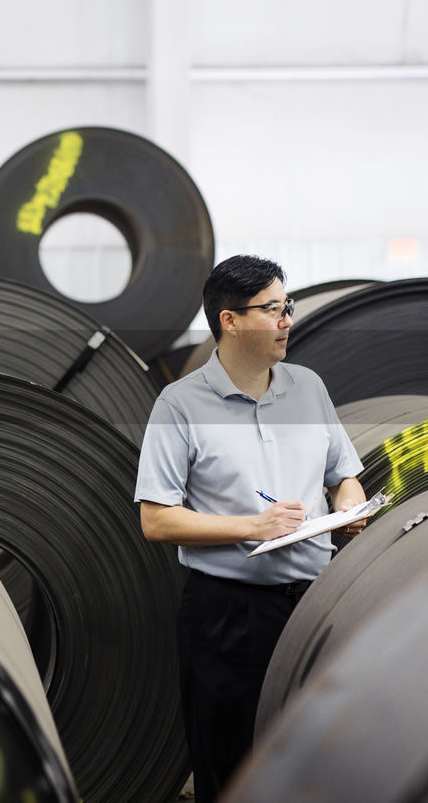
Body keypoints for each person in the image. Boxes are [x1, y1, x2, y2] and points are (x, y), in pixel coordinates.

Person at [135, 255, 366, 802]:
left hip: (313, 605)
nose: (287, 319)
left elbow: (345, 474)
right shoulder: (181, 405)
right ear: (229, 321)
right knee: (231, 765)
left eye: (288, 307)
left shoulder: (308, 388)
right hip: (227, 615)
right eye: (272, 309)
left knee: (315, 758)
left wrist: (350, 508)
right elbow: (156, 519)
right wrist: (253, 526)